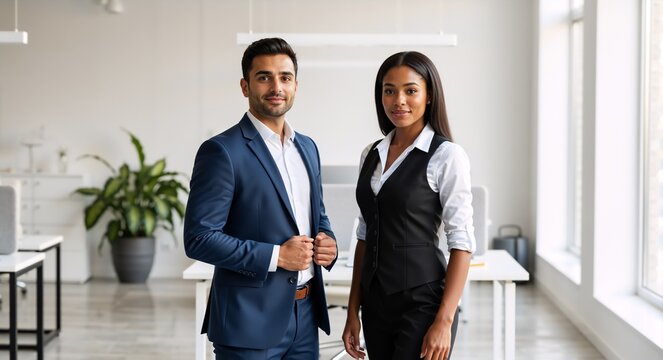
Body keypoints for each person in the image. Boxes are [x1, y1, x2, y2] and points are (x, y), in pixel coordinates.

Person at [183, 37, 338, 360]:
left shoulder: (307, 148)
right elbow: (198, 238)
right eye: (264, 77)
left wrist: (328, 242)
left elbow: (316, 215)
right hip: (247, 322)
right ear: (245, 86)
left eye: (285, 77)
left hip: (306, 316)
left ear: (296, 85)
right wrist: (276, 256)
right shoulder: (222, 151)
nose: (276, 86)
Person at [342, 51, 475, 360]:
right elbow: (365, 233)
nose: (398, 100)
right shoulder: (371, 154)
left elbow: (462, 243)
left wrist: (444, 321)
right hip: (376, 304)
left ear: (429, 96)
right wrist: (353, 310)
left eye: (410, 90)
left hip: (423, 302)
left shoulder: (447, 156)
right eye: (389, 90)